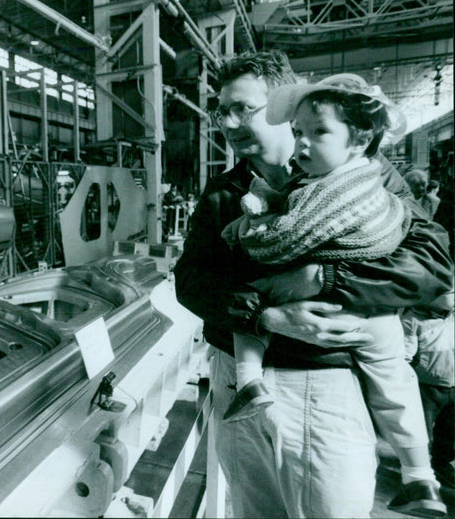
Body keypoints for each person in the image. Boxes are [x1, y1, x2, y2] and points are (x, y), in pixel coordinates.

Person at [173, 50, 453, 518]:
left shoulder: (367, 174)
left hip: (326, 383)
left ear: (281, 103)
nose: (228, 120)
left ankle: (419, 476)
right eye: (222, 110)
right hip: (240, 383)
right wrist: (265, 315)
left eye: (243, 107)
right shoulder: (224, 191)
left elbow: (432, 263)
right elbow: (190, 281)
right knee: (254, 508)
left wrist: (327, 278)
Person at [402, 288, 455, 489]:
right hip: (426, 389)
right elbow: (404, 358)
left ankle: (441, 464)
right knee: (421, 434)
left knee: (450, 433)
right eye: (450, 292)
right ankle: (419, 474)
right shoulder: (413, 319)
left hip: (453, 386)